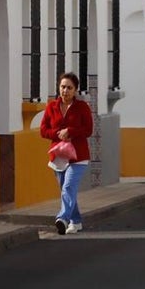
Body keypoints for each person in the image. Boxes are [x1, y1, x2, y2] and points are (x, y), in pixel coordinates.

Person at [40, 72, 93, 235]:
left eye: (69, 88)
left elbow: (88, 130)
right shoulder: (51, 107)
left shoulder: (82, 107)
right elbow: (43, 130)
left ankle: (62, 218)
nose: (65, 91)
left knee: (69, 186)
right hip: (59, 156)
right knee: (66, 189)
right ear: (59, 87)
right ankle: (75, 221)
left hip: (78, 156)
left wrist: (70, 131)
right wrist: (57, 133)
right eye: (63, 87)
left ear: (75, 90)